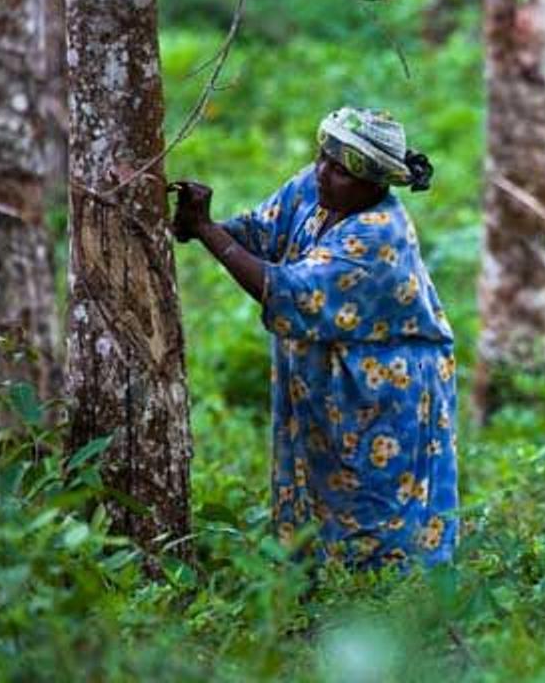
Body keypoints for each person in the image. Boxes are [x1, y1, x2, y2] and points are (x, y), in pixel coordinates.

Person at [170, 106, 459, 569]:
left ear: (375, 183)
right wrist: (201, 227)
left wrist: (206, 232)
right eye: (323, 158)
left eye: (341, 171)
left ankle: (398, 614)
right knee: (319, 505)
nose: (324, 174)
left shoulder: (378, 235)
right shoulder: (315, 187)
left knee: (379, 509)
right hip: (324, 381)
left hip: (382, 392)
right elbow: (261, 232)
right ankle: (317, 606)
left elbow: (286, 293)